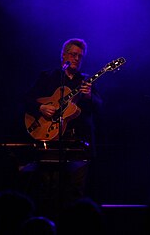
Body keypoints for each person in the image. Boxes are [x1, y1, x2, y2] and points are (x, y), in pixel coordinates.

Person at [22, 38, 102, 220]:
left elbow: (100, 108)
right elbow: (26, 99)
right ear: (64, 55)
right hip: (50, 142)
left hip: (77, 145)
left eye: (80, 56)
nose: (76, 59)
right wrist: (40, 108)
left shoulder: (86, 81)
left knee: (75, 192)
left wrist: (90, 97)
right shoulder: (48, 77)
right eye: (73, 55)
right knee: (48, 190)